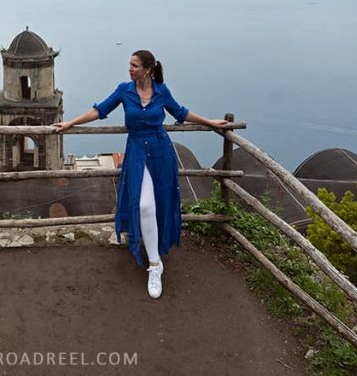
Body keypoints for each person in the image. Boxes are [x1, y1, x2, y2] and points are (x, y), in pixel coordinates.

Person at [53, 50, 229, 299]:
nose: (129, 69)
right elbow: (100, 110)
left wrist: (210, 122)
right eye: (130, 64)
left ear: (147, 69)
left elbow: (181, 112)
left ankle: (155, 256)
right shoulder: (124, 90)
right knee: (145, 205)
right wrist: (70, 123)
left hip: (161, 153)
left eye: (134, 65)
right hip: (136, 152)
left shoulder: (161, 92)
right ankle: (155, 265)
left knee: (159, 204)